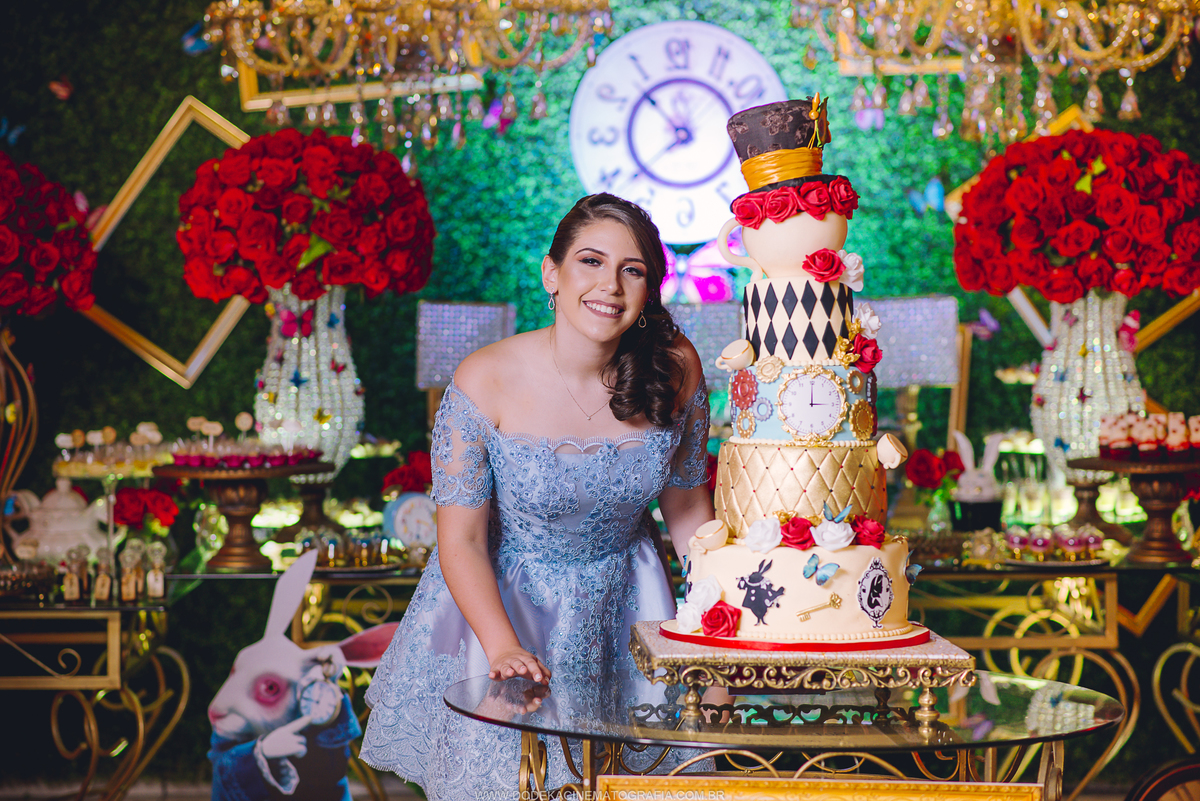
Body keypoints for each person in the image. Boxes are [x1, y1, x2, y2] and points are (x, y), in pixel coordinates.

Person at [360, 193, 714, 798]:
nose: (610, 286)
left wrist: (718, 624)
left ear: (649, 288)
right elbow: (462, 541)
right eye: (590, 261)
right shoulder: (484, 377)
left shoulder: (676, 367)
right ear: (552, 273)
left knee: (634, 785)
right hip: (504, 604)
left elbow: (688, 511)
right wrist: (502, 645)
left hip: (631, 603)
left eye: (632, 270)